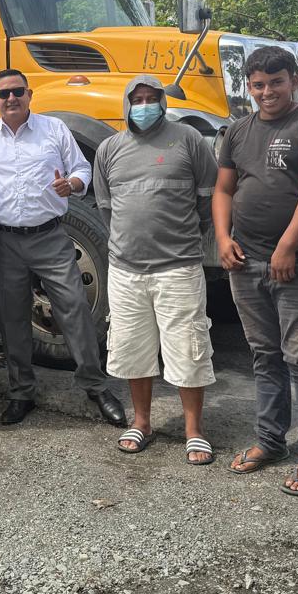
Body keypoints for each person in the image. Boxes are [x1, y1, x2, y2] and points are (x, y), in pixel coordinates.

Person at [0, 70, 126, 427]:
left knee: (75, 307)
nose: (11, 98)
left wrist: (73, 184)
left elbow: (81, 168)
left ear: (29, 94)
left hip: (50, 236)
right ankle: (21, 392)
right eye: (4, 93)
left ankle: (95, 386)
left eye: (18, 91)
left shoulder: (54, 129)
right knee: (12, 318)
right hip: (4, 241)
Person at [215, 46, 298, 495]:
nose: (267, 91)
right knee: (264, 355)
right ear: (248, 87)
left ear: (294, 81)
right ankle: (271, 441)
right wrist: (222, 238)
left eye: (276, 82)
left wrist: (288, 246)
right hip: (245, 260)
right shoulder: (238, 130)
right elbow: (224, 189)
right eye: (258, 85)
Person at [93, 76, 219, 464]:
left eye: (152, 98)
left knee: (188, 348)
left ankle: (194, 430)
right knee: (134, 347)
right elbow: (107, 208)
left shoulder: (188, 140)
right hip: (125, 269)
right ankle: (142, 422)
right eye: (138, 99)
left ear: (163, 102)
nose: (144, 105)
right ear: (126, 104)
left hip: (178, 266)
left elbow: (207, 199)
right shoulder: (109, 148)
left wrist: (184, 236)